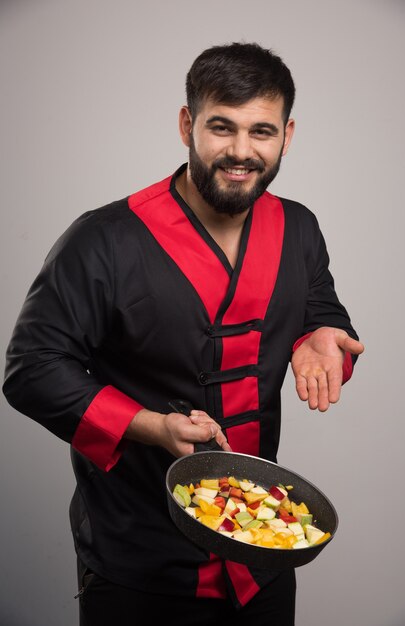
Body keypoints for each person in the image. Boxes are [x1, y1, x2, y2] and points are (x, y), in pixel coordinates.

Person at [2, 41, 364, 626]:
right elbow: (32, 369)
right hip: (139, 557)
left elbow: (319, 308)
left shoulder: (299, 227)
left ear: (287, 136)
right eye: (222, 127)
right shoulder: (104, 239)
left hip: (262, 547)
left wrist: (324, 332)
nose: (241, 152)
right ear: (186, 124)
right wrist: (151, 427)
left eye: (262, 132)